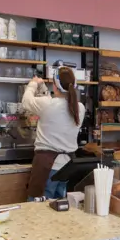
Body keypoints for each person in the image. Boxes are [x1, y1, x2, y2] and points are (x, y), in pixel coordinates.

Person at [22, 67, 85, 200]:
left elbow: (26, 101)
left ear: (55, 86)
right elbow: (55, 104)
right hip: (68, 166)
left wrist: (33, 83)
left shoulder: (47, 104)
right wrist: (44, 88)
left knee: (38, 211)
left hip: (47, 166)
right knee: (61, 208)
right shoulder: (80, 108)